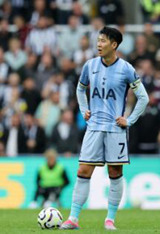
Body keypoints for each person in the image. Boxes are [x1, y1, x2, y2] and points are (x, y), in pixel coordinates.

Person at [61, 27, 149, 230]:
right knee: (83, 170)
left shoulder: (126, 69)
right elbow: (80, 88)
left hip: (115, 130)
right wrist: (84, 109)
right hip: (93, 128)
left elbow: (143, 98)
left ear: (114, 44)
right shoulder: (89, 65)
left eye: (103, 41)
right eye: (98, 40)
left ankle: (110, 219)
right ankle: (73, 218)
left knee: (115, 172)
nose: (98, 44)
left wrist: (130, 120)